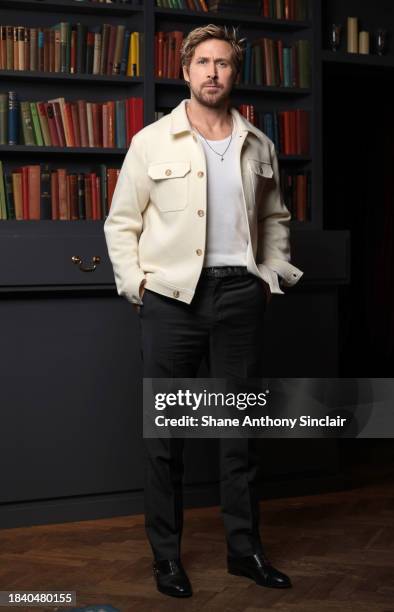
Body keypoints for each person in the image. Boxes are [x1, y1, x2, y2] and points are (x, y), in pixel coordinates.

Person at [104, 23, 303, 599]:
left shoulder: (258, 145)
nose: (214, 71)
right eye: (204, 63)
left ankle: (246, 552)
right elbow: (122, 222)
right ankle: (166, 559)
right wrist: (138, 286)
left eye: (224, 63)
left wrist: (270, 277)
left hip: (241, 296)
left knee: (240, 435)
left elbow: (275, 220)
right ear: (186, 71)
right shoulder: (151, 141)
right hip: (171, 300)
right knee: (166, 437)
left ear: (234, 73)